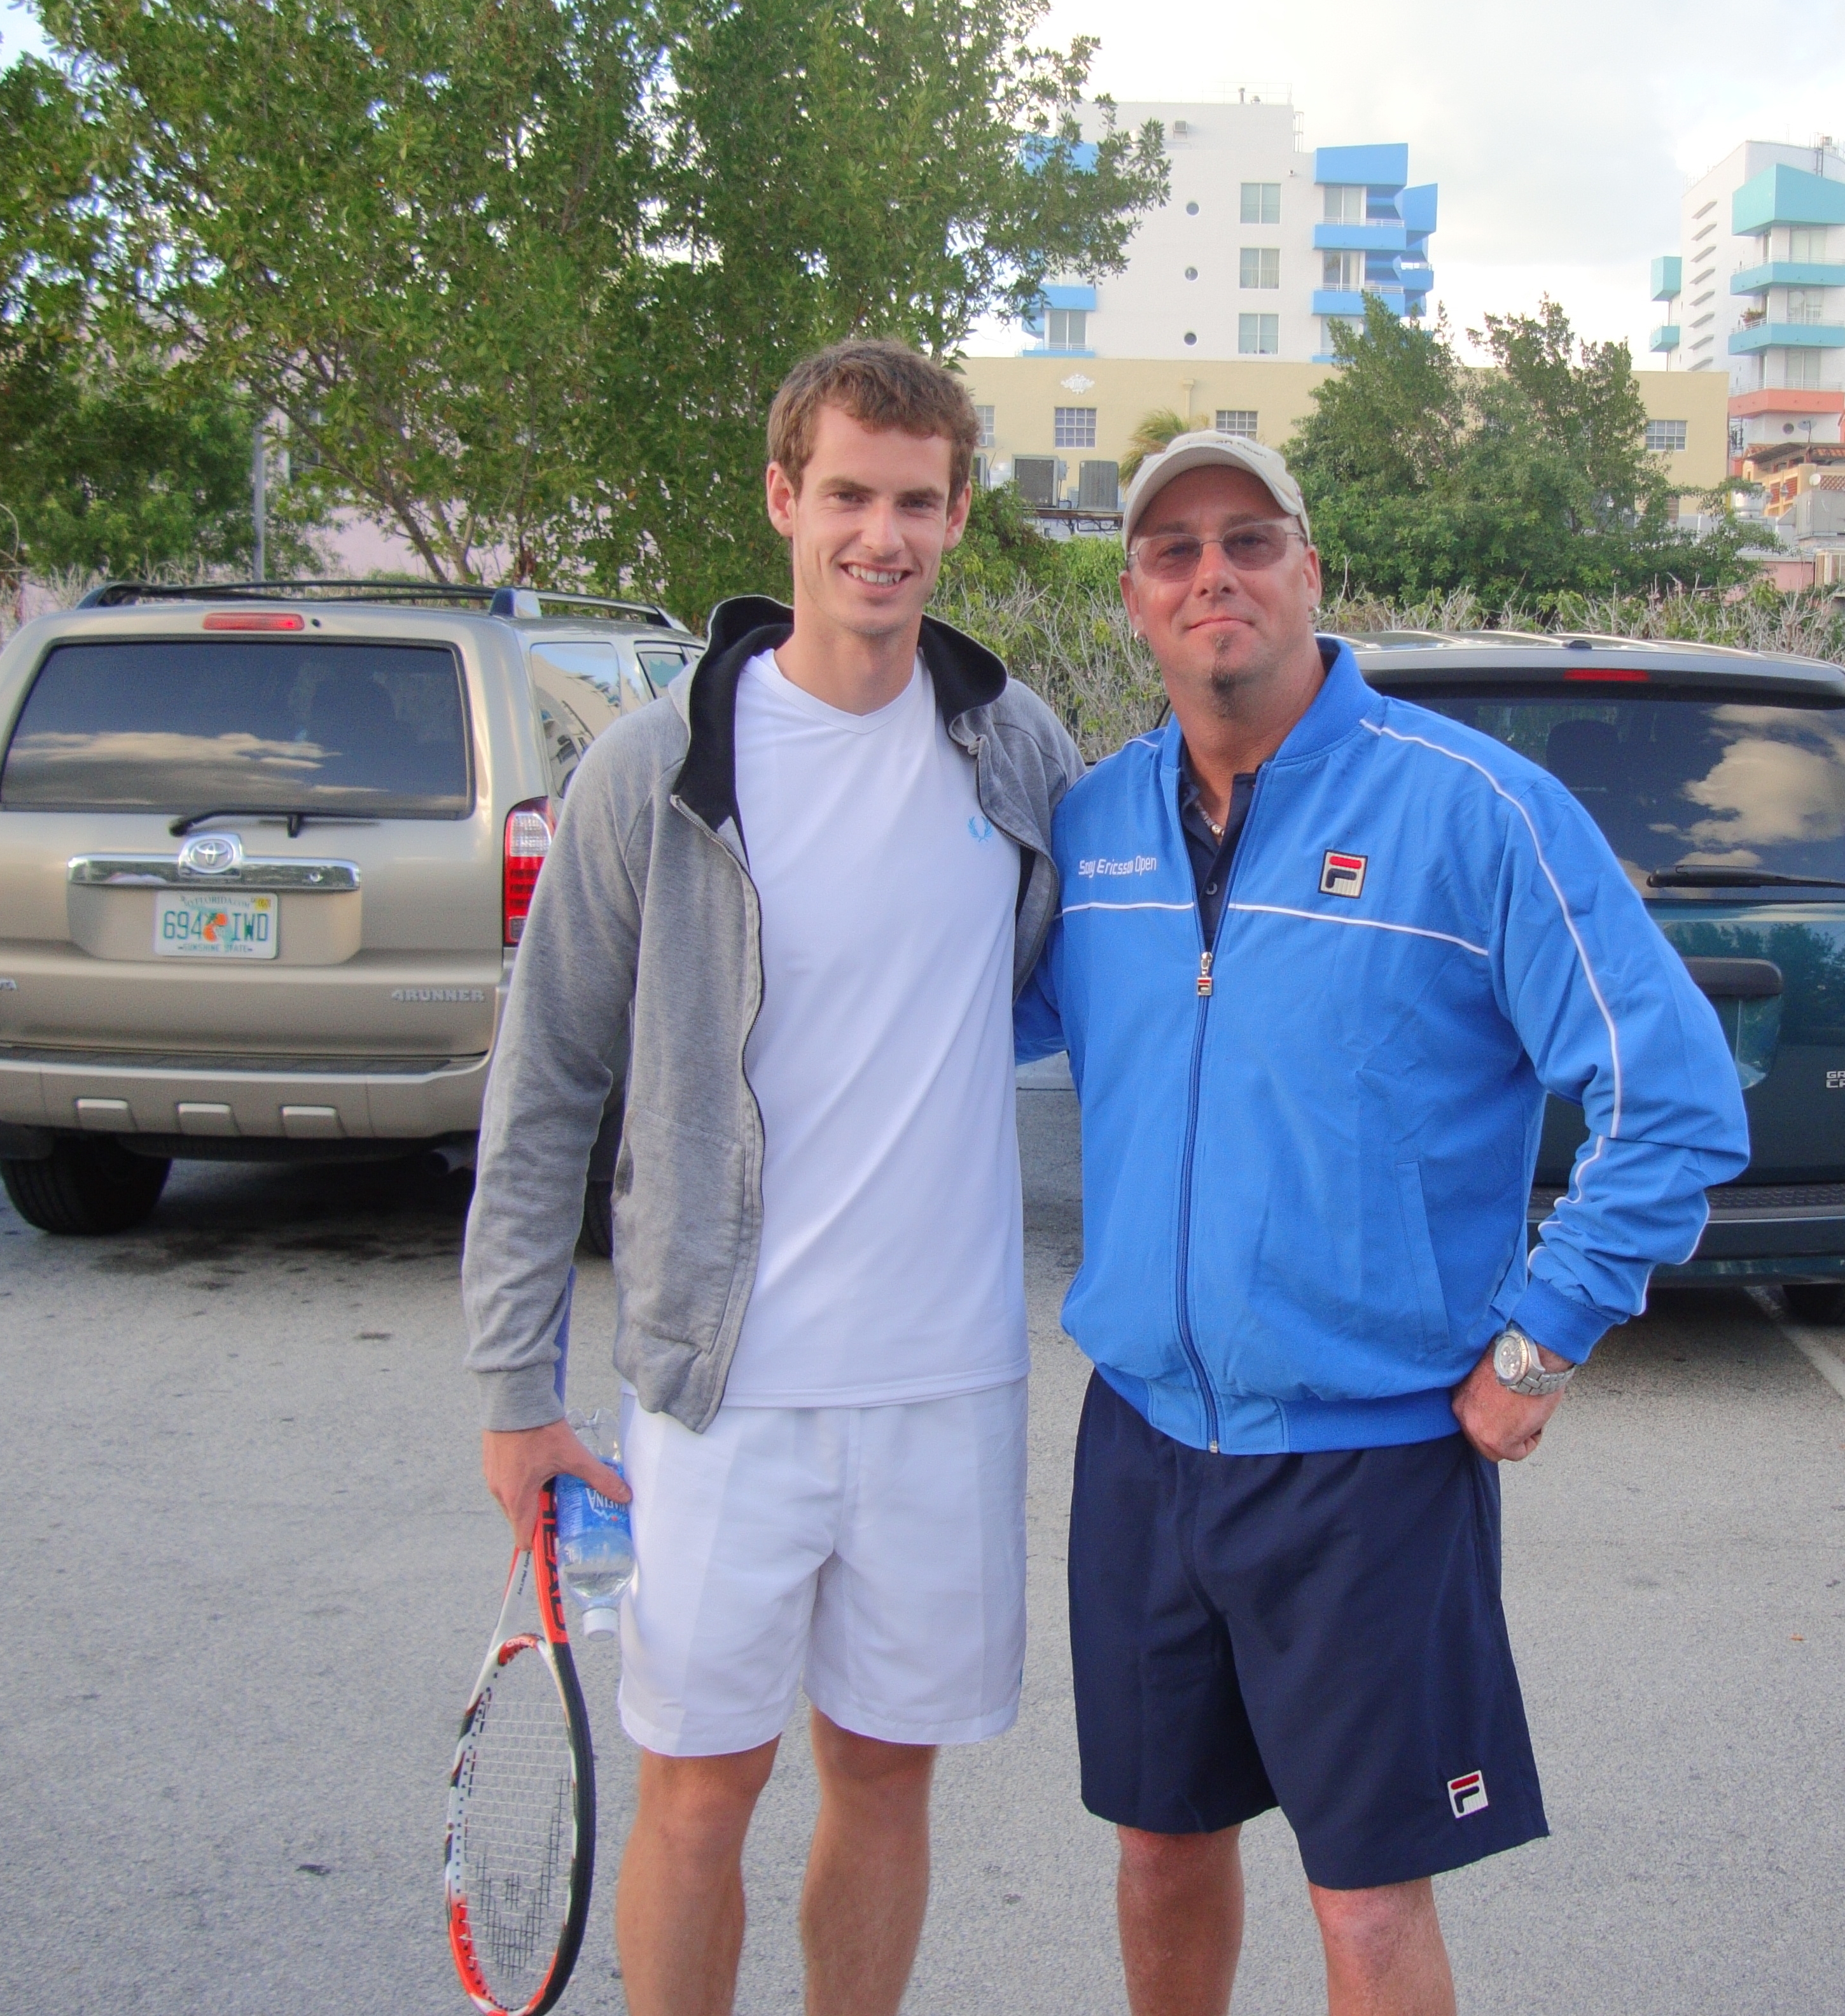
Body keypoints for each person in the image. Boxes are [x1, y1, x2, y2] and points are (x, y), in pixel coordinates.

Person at [1016, 431, 1750, 2016]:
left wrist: (1542, 1344)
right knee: (1158, 1852)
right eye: (1174, 551)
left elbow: (1674, 1097)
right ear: (1136, 601)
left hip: (1366, 1463)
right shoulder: (1092, 832)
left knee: (1363, 1905)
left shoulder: (1474, 810)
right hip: (1143, 1442)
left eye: (1251, 540)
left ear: (1311, 572)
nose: (1214, 574)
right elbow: (931, 1032)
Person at [463, 340, 1082, 2016]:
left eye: (917, 502)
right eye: (849, 497)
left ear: (957, 515)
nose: (882, 536)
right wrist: (519, 1389)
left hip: (943, 1385)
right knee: (700, 1794)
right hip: (719, 1389)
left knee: (887, 1780)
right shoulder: (650, 773)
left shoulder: (1014, 749)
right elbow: (542, 1097)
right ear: (783, 500)